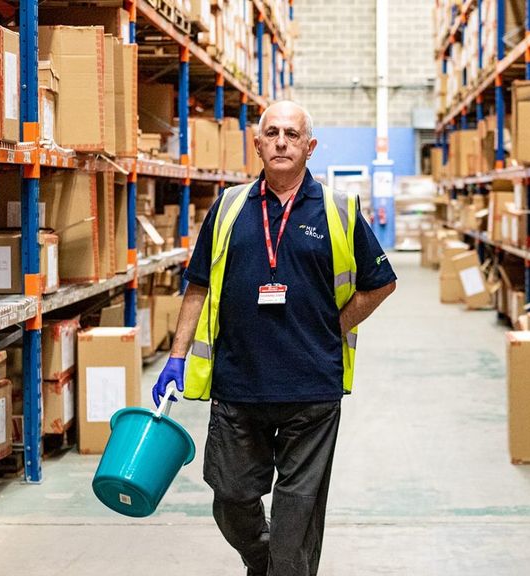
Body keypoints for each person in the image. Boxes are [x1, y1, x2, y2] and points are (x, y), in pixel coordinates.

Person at [152, 100, 397, 576]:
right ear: (258, 143)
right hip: (238, 384)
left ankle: (283, 566)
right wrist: (176, 356)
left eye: (292, 133)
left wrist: (331, 331)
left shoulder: (339, 210)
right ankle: (261, 560)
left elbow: (381, 282)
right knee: (230, 499)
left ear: (310, 147)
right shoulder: (227, 208)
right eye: (272, 133)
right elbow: (198, 285)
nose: (282, 141)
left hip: (312, 389)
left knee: (296, 520)